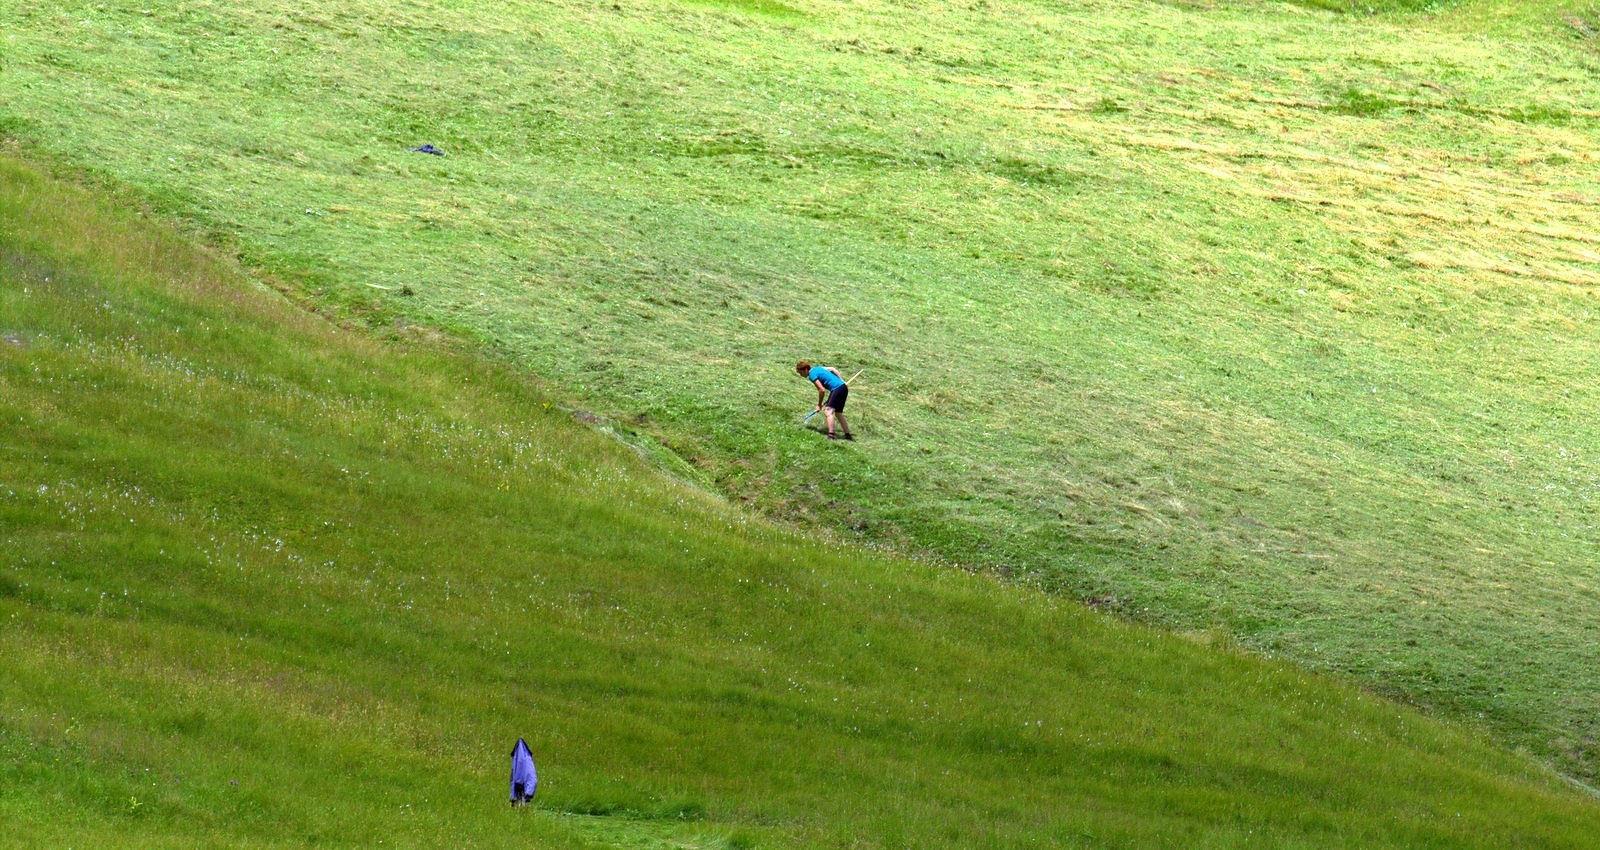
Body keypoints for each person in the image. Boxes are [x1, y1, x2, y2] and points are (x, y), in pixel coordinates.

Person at [796, 360, 853, 440]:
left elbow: (822, 390)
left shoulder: (811, 375)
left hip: (837, 389)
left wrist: (819, 404)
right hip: (843, 388)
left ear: (805, 369)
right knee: (838, 413)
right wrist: (842, 381)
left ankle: (831, 435)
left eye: (800, 373)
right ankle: (848, 435)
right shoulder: (818, 368)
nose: (801, 375)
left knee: (828, 411)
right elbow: (833, 369)